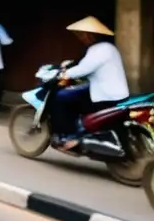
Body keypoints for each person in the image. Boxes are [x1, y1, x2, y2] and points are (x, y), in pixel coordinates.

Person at [51, 17, 129, 149]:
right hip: (111, 92)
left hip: (106, 96)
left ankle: (69, 135)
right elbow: (82, 64)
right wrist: (68, 67)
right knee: (74, 94)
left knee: (62, 97)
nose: (81, 38)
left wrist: (64, 75)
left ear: (90, 35)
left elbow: (84, 69)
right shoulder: (106, 47)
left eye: (82, 34)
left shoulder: (99, 50)